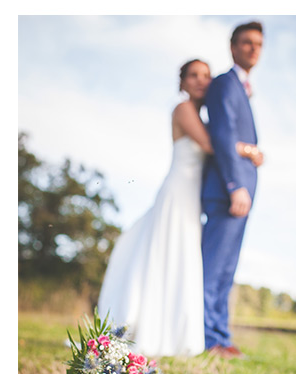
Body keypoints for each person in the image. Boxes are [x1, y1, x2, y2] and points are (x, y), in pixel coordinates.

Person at [97, 59, 262, 357]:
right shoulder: (183, 109)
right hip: (177, 193)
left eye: (206, 76)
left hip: (192, 196)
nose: (201, 81)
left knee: (183, 259)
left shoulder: (201, 115)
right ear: (182, 83)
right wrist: (248, 149)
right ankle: (152, 326)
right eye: (194, 76)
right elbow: (213, 145)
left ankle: (175, 330)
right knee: (167, 254)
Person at [201, 21, 264, 359]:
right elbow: (223, 137)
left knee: (227, 269)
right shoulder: (225, 83)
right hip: (227, 191)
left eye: (258, 43)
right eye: (246, 42)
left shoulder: (242, 87)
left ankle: (221, 335)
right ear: (232, 46)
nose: (253, 48)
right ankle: (209, 339)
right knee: (214, 267)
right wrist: (235, 185)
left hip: (240, 194)